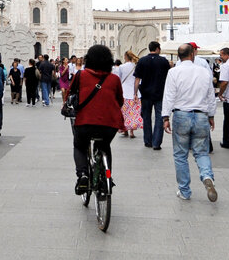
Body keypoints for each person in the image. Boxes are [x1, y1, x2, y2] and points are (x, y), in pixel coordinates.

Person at [161, 44, 218, 202]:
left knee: (180, 155)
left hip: (181, 115)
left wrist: (165, 117)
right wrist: (211, 115)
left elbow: (169, 96)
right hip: (201, 115)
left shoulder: (173, 72)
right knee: (201, 152)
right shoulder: (204, 72)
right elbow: (210, 97)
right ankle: (207, 176)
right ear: (193, 54)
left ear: (179, 56)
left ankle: (184, 191)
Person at [67, 45, 124, 195]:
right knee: (104, 146)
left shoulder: (80, 75)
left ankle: (83, 175)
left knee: (79, 146)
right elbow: (120, 101)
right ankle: (107, 179)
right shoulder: (114, 79)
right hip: (109, 125)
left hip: (85, 122)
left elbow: (70, 95)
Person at [134, 41, 171, 150]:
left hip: (145, 93)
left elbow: (137, 79)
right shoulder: (163, 61)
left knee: (146, 117)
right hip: (160, 93)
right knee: (160, 117)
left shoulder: (142, 61)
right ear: (158, 49)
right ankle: (156, 142)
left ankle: (148, 141)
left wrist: (135, 93)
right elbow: (168, 78)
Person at [119, 51, 142, 138]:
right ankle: (132, 131)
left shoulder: (121, 67)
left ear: (125, 57)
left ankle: (125, 130)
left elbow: (120, 79)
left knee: (124, 112)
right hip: (134, 92)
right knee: (133, 112)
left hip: (124, 92)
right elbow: (139, 79)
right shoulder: (136, 66)